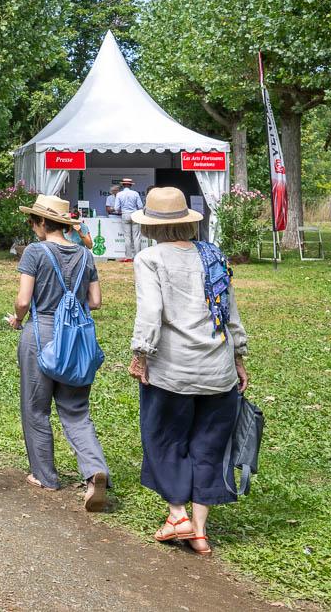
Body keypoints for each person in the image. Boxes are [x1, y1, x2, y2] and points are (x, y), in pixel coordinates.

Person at [128, 187, 248, 556]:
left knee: (164, 439)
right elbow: (230, 313)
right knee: (209, 447)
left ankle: (177, 516)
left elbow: (151, 312)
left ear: (150, 226)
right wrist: (239, 357)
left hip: (172, 372)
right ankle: (198, 531)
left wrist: (140, 354)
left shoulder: (149, 259)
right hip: (218, 370)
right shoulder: (214, 256)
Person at [6, 193, 110, 512]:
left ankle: (45, 476)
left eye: (33, 222)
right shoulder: (84, 255)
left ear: (41, 222)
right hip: (76, 338)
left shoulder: (35, 252)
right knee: (76, 410)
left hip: (42, 332)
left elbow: (24, 300)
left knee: (36, 408)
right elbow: (95, 302)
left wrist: (17, 319)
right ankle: (95, 471)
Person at [117, 177, 145, 260]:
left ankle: (128, 256)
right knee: (136, 236)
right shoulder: (135, 193)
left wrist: (121, 210)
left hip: (125, 214)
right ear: (130, 185)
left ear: (123, 185)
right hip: (135, 214)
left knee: (127, 237)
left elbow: (116, 208)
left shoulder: (119, 194)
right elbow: (140, 206)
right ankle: (137, 256)